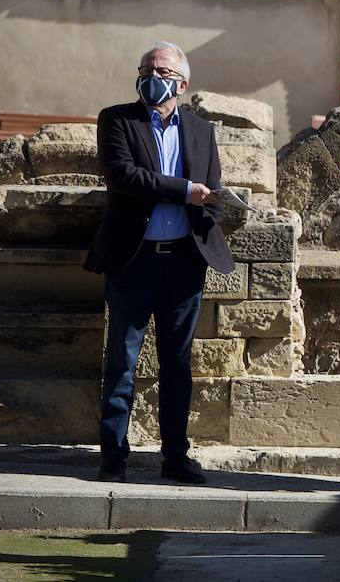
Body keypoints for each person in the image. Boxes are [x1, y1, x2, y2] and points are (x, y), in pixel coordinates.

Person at [86, 41, 233, 485]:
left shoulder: (201, 131)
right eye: (146, 68)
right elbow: (125, 177)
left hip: (184, 264)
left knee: (178, 366)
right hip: (134, 261)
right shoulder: (117, 119)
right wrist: (187, 191)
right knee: (122, 363)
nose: (152, 75)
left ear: (182, 83)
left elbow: (212, 190)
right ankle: (113, 458)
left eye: (163, 70)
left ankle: (175, 457)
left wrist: (214, 207)